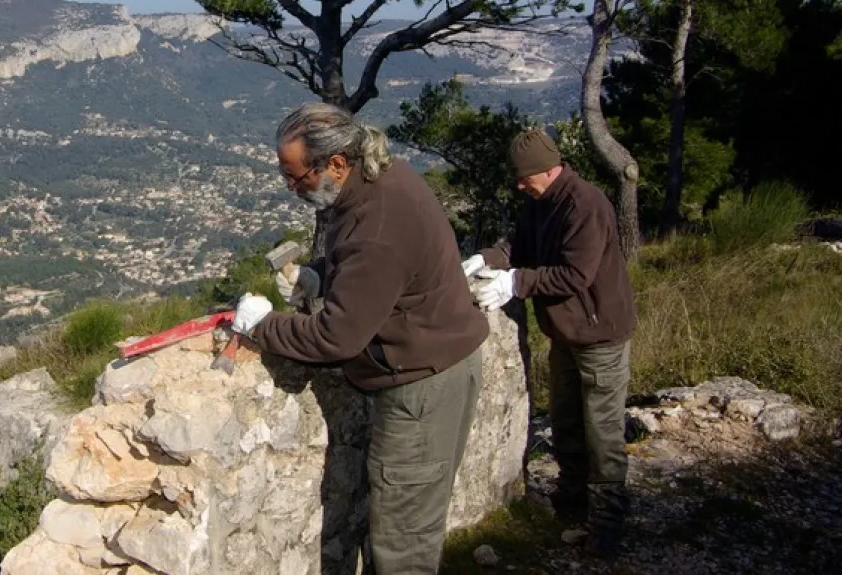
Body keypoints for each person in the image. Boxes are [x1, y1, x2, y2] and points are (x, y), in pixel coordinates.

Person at [232, 102, 488, 575]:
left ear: (336, 163)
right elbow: (372, 273)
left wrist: (262, 325)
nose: (292, 189)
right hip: (437, 364)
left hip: (422, 389)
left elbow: (337, 337)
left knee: (401, 545)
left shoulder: (377, 224)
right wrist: (320, 275)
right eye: (285, 176)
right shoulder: (381, 182)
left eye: (298, 177)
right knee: (400, 525)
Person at [463, 128, 636, 557]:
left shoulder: (585, 205)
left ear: (549, 168)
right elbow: (519, 246)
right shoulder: (541, 202)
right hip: (565, 335)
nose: (521, 185)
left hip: (600, 336)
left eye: (526, 178)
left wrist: (516, 282)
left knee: (603, 433)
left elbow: (576, 276)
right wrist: (488, 258)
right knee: (566, 424)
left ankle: (607, 526)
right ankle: (572, 508)